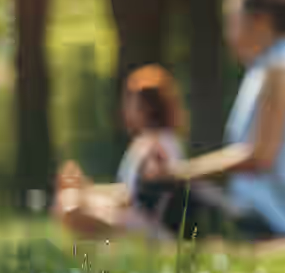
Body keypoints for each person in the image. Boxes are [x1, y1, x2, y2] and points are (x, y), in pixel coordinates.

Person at [136, 0, 285, 241]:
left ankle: (262, 244)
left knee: (154, 189)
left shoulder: (279, 71)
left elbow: (261, 157)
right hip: (266, 211)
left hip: (275, 218)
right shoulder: (275, 66)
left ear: (260, 22)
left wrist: (181, 171)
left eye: (233, 24)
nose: (229, 36)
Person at [54, 65, 188, 237]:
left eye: (130, 102)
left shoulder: (157, 145)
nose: (124, 109)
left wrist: (88, 193)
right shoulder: (153, 141)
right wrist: (87, 190)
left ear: (146, 107)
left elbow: (141, 197)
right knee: (71, 200)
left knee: (71, 207)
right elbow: (129, 191)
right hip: (137, 217)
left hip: (151, 226)